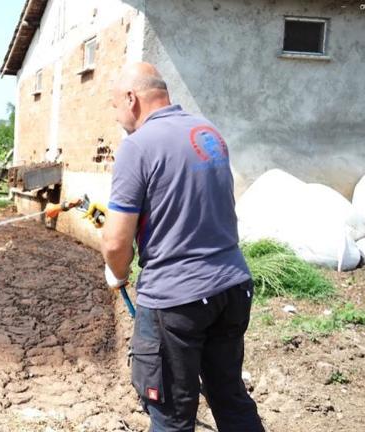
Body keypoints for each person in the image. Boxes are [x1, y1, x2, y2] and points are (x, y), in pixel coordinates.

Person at [99, 62, 264, 431]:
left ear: (132, 98)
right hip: (232, 287)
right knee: (229, 396)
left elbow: (114, 240)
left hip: (177, 301)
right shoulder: (208, 133)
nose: (116, 115)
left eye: (114, 106)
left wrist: (118, 272)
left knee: (171, 413)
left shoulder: (137, 147)